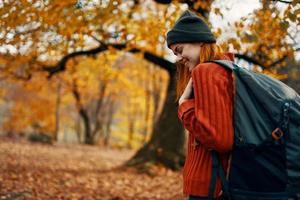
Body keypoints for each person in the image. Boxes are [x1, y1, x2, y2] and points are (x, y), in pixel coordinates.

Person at [166, 10, 235, 200]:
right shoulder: (224, 69)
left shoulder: (207, 71)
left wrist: (184, 106)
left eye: (179, 50)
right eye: (174, 53)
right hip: (215, 183)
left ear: (199, 41)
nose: (178, 58)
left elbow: (220, 139)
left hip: (210, 186)